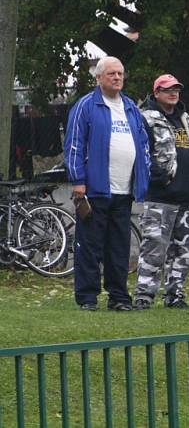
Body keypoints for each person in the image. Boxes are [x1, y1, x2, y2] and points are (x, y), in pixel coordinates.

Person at [64, 56, 150, 311]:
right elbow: (74, 145)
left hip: (124, 191)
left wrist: (142, 178)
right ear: (99, 77)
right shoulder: (86, 106)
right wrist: (78, 181)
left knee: (119, 247)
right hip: (95, 190)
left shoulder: (131, 108)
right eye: (111, 73)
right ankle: (88, 298)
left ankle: (119, 297)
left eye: (120, 73)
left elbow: (144, 144)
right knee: (90, 247)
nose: (117, 78)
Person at [133, 74, 189, 310]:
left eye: (176, 89)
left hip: (187, 198)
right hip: (159, 198)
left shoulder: (187, 119)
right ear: (156, 93)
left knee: (182, 251)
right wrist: (158, 177)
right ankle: (144, 296)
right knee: (154, 248)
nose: (173, 93)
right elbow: (140, 155)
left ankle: (175, 295)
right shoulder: (146, 119)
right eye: (167, 89)